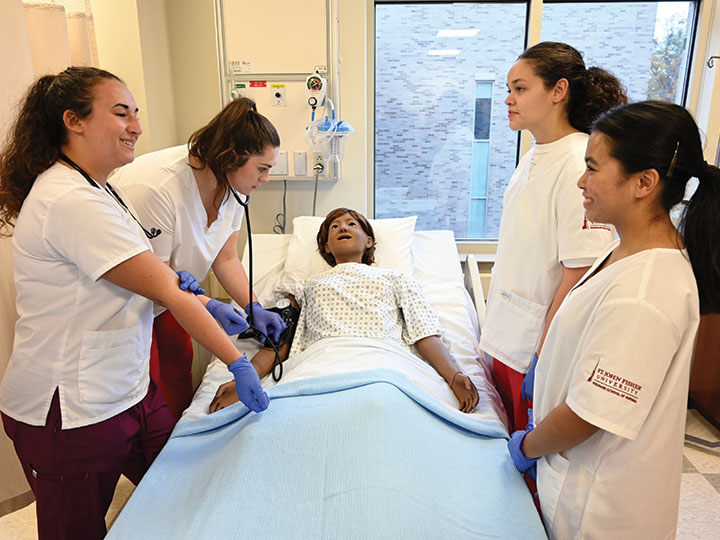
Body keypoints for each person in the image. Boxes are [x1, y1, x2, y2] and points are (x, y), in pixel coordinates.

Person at [0, 67, 268, 540]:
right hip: (70, 408)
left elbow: (151, 277)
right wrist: (236, 363)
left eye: (136, 113)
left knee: (178, 485)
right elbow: (165, 291)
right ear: (74, 121)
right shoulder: (69, 199)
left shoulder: (101, 190)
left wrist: (199, 293)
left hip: (125, 388)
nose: (136, 126)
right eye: (120, 113)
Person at [507, 101, 720, 539]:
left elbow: (588, 417)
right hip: (580, 483)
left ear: (644, 182)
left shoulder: (645, 293)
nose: (581, 182)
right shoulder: (625, 250)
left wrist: (527, 445)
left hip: (600, 510)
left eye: (592, 168)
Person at [479, 42, 628, 431]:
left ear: (559, 90)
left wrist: (544, 358)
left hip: (534, 349)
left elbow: (578, 273)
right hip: (508, 337)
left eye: (521, 88)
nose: (509, 100)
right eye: (508, 90)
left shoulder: (578, 161)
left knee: (534, 464)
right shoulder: (534, 155)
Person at [110, 97, 287, 420]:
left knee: (178, 380)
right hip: (127, 305)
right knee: (143, 398)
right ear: (232, 157)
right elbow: (155, 280)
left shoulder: (235, 188)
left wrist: (253, 306)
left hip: (176, 299)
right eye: (262, 169)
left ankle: (180, 439)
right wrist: (210, 306)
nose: (266, 179)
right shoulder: (157, 187)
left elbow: (227, 259)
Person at [210, 207, 480, 413]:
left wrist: (454, 376)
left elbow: (424, 334)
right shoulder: (306, 286)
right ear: (326, 247)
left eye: (352, 224)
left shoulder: (396, 279)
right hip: (320, 364)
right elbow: (280, 343)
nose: (343, 227)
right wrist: (243, 379)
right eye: (334, 227)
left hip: (382, 363)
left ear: (369, 241)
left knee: (383, 406)